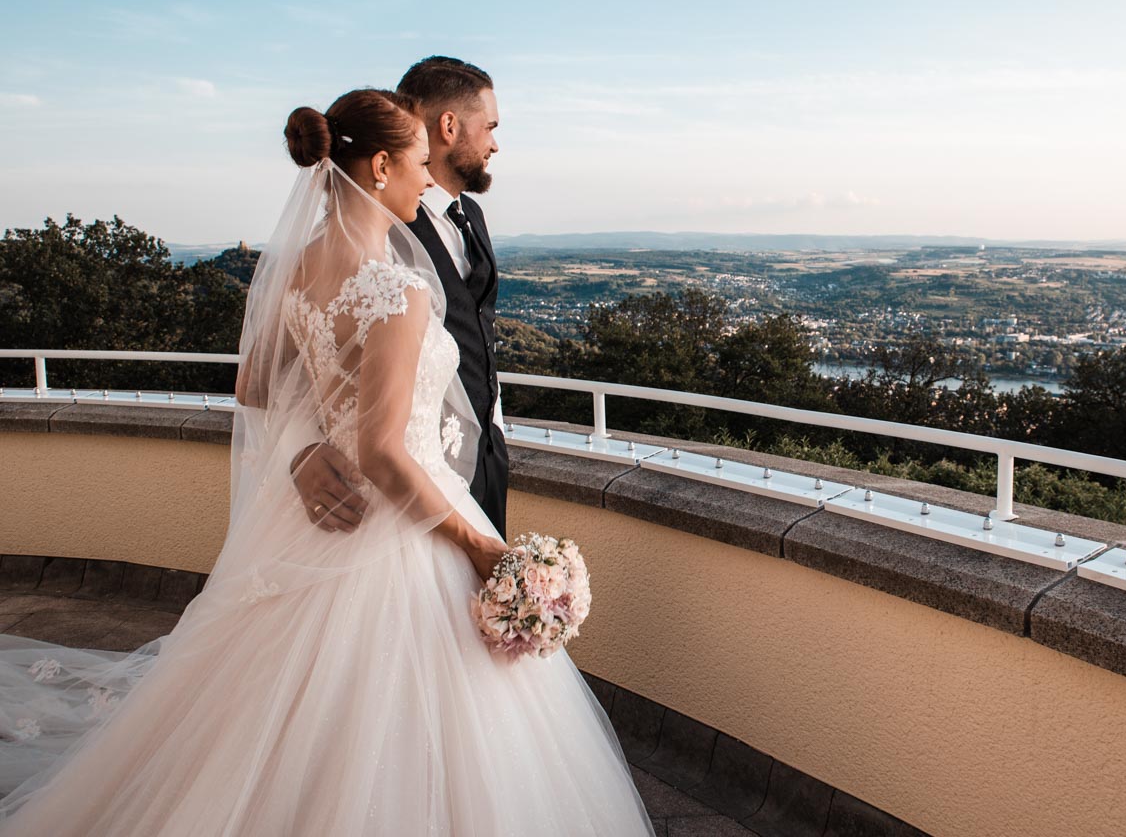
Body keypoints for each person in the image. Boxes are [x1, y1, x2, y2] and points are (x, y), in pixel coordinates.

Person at [0, 88, 654, 835]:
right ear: (380, 167)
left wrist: (309, 447)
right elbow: (380, 448)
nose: (424, 179)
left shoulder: (301, 265)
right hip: (403, 526)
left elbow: (254, 383)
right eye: (415, 165)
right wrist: (479, 546)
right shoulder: (399, 290)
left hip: (313, 523)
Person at [290, 57, 509, 541]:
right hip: (398, 495)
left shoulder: (470, 214)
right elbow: (303, 363)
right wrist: (302, 449)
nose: (496, 142)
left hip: (483, 459)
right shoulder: (371, 235)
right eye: (490, 127)